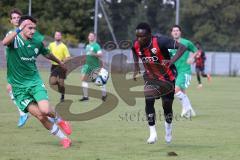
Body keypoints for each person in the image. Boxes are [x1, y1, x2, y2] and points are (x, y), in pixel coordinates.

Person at [2, 15, 72, 148]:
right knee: (40, 116)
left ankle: (61, 120)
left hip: (34, 82)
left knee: (45, 110)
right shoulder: (14, 39)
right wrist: (18, 30)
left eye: (34, 28)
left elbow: (47, 54)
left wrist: (60, 63)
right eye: (30, 28)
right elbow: (4, 42)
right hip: (18, 88)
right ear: (22, 27)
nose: (33, 31)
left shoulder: (36, 42)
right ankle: (64, 139)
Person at [132, 22, 187, 144]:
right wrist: (136, 69)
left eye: (142, 36)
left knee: (166, 106)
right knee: (149, 99)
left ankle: (168, 128)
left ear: (150, 35)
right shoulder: (136, 44)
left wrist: (171, 61)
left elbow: (183, 47)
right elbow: (134, 52)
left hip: (167, 77)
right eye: (137, 36)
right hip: (151, 77)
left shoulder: (161, 41)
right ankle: (152, 133)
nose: (139, 39)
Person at [6, 8, 29, 127]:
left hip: (25, 69)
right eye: (14, 18)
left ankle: (54, 118)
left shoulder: (27, 32)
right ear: (11, 21)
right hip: (14, 69)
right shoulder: (10, 34)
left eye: (18, 18)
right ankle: (22, 113)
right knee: (10, 88)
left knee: (33, 98)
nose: (16, 20)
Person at [169, 25, 198, 118]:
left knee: (175, 89)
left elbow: (196, 51)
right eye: (174, 31)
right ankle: (189, 109)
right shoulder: (169, 44)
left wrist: (192, 57)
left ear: (180, 32)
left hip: (184, 71)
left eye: (177, 30)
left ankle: (187, 109)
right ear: (171, 33)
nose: (176, 32)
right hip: (175, 72)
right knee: (182, 92)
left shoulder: (186, 42)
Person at [79, 32, 107, 101]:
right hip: (87, 66)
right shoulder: (87, 46)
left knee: (99, 81)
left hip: (95, 66)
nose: (90, 37)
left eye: (92, 36)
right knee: (83, 80)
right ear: (88, 37)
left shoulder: (96, 45)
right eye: (89, 36)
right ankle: (85, 97)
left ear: (94, 38)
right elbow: (88, 55)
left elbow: (100, 55)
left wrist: (94, 54)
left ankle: (104, 95)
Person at [49, 31, 71, 102]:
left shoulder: (63, 46)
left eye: (59, 35)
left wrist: (62, 61)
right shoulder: (51, 45)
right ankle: (58, 83)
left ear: (61, 37)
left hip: (61, 66)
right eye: (56, 35)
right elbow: (47, 53)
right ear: (54, 36)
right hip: (54, 66)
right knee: (52, 82)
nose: (57, 36)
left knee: (61, 83)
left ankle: (62, 96)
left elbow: (68, 57)